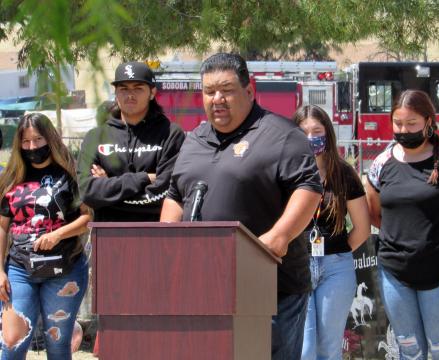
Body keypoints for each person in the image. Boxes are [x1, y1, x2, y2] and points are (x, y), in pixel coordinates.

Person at [160, 53, 323, 360]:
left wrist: (279, 235)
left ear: (249, 91)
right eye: (209, 92)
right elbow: (175, 194)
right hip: (206, 289)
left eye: (227, 90)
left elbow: (309, 188)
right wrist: (168, 240)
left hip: (271, 288)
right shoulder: (193, 139)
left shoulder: (282, 135)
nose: (217, 99)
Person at [366, 89, 439, 360]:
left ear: (429, 122)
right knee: (409, 351)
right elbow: (374, 212)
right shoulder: (382, 163)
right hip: (395, 274)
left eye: (412, 124)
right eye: (398, 123)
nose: (404, 130)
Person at [0, 113, 90, 359]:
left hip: (65, 269)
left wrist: (58, 234)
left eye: (38, 139)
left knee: (58, 344)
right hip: (19, 270)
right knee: (11, 343)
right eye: (26, 141)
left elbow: (87, 217)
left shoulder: (70, 174)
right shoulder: (11, 178)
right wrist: (0, 270)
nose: (32, 147)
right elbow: (1, 227)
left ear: (49, 138)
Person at [294, 105, 370, 360]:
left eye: (316, 130)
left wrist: (337, 252)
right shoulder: (286, 170)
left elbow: (362, 228)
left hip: (336, 268)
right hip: (297, 265)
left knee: (329, 347)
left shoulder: (344, 173)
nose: (310, 137)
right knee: (305, 348)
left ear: (327, 132)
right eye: (303, 131)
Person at [77, 61, 185, 221]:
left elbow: (165, 195)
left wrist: (108, 193)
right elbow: (88, 193)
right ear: (116, 92)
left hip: (156, 237)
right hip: (108, 238)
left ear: (152, 92)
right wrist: (145, 178)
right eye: (123, 89)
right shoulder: (95, 137)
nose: (130, 95)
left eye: (138, 88)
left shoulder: (171, 134)